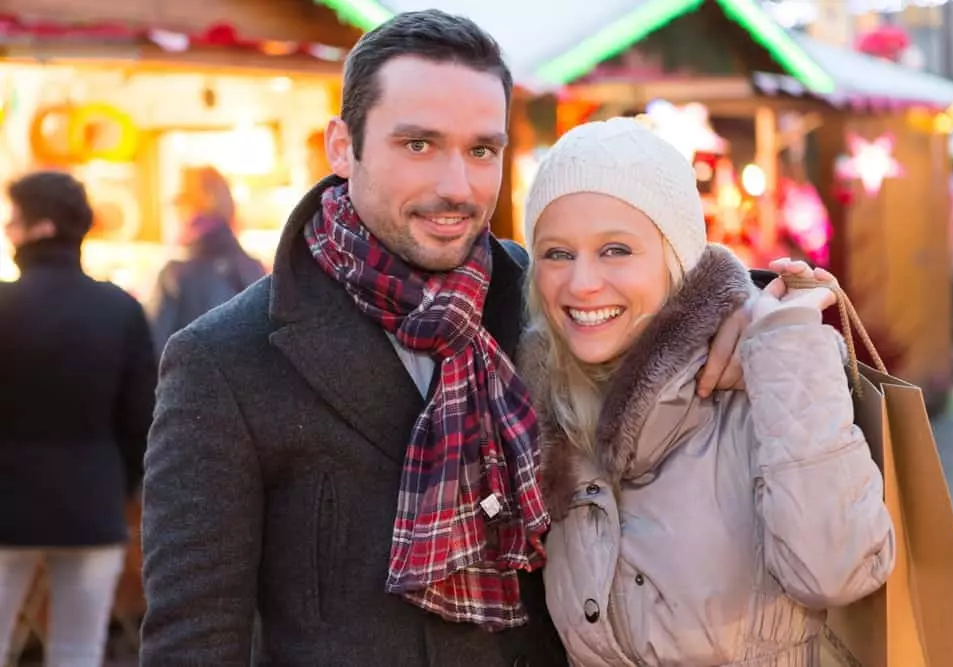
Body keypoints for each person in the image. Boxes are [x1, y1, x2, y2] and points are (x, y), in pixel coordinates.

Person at [140, 11, 760, 666]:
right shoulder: (225, 359)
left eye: (480, 150)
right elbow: (192, 640)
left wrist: (756, 307)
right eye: (419, 145)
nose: (456, 187)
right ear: (343, 146)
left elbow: (681, 296)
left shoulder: (548, 301)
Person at [517, 118, 895, 666]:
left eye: (616, 249)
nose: (581, 283)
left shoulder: (756, 389)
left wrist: (787, 351)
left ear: (676, 259)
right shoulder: (546, 414)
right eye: (557, 253)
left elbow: (836, 570)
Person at [0, 171, 157, 666]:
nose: (7, 230)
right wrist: (122, 485)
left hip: (7, 504)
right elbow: (142, 420)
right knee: (78, 651)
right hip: (93, 504)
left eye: (12, 220)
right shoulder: (119, 309)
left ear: (40, 227)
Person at [146, 165, 265, 357]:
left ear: (200, 204)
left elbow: (154, 352)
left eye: (182, 203)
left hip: (190, 384)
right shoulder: (254, 269)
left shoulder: (174, 275)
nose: (178, 213)